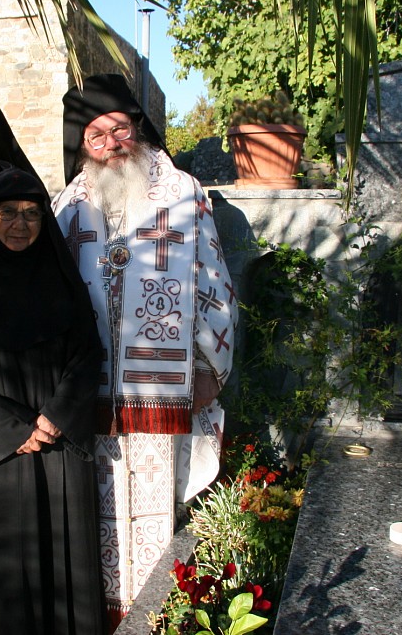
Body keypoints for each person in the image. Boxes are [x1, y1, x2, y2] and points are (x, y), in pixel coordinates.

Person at [53, 74, 238, 627]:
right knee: (98, 517)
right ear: (82, 147)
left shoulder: (181, 190)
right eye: (96, 136)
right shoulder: (67, 204)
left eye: (120, 129)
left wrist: (209, 369)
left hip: (162, 387)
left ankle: (159, 617)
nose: (111, 143)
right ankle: (105, 620)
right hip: (91, 392)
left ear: (139, 129)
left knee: (160, 511)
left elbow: (214, 281)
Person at [0, 168, 105, 634]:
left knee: (62, 560)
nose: (20, 223)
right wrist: (17, 429)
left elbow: (88, 353)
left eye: (32, 214)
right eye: (7, 212)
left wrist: (56, 414)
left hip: (56, 444)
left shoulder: (63, 281)